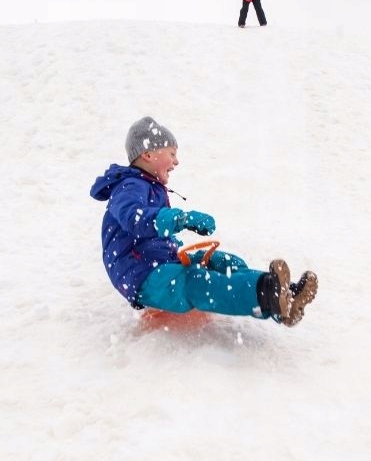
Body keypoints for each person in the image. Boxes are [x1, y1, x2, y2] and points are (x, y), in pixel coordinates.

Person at [90, 116, 317, 326]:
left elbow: (153, 237)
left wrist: (177, 246)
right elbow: (134, 218)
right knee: (196, 282)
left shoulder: (148, 186)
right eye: (171, 153)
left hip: (162, 262)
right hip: (141, 275)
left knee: (224, 262)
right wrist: (180, 218)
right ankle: (269, 296)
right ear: (148, 154)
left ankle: (280, 293)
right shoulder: (128, 187)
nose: (176, 161)